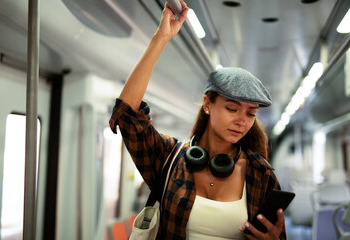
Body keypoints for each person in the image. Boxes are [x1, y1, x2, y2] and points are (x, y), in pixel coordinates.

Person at [109, 0, 286, 239]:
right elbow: (129, 116)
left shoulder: (260, 174)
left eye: (251, 113)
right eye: (232, 109)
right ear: (207, 104)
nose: (243, 121)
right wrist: (160, 38)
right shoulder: (170, 158)